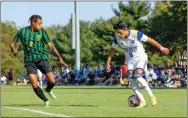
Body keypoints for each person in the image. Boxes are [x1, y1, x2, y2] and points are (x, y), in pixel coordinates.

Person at [105, 21, 169, 108]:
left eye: (120, 32)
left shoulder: (136, 34)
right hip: (130, 60)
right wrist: (108, 63)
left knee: (138, 76)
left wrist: (162, 48)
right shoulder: (117, 38)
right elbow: (112, 50)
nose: (118, 34)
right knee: (131, 79)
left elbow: (151, 40)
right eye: (117, 32)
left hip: (140, 58)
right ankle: (142, 101)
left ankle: (151, 96)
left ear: (125, 29)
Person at [9, 15, 68, 107]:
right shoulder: (22, 32)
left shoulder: (42, 32)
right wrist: (13, 48)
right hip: (29, 61)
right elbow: (12, 43)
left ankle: (48, 90)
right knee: (34, 82)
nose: (41, 26)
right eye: (39, 24)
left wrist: (60, 58)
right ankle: (45, 100)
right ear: (33, 22)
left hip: (41, 58)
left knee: (52, 81)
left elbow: (51, 46)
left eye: (41, 24)